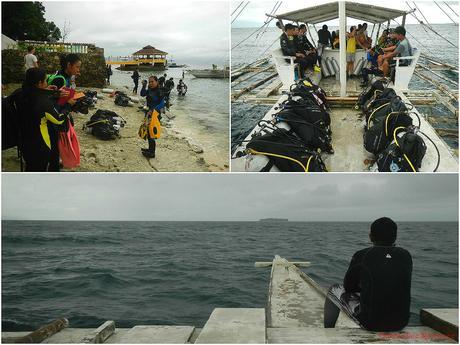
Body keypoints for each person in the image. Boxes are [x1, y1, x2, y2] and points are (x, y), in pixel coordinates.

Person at [323, 217, 412, 331]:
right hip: (401, 322)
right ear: (395, 236)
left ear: (371, 236)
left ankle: (328, 331)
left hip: (371, 323)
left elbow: (349, 287)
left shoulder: (362, 255)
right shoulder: (405, 256)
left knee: (334, 289)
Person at [16, 68, 67, 171]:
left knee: (30, 168)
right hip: (40, 145)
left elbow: (37, 94)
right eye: (46, 80)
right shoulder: (42, 103)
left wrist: (51, 92)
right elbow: (59, 119)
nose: (47, 82)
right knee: (39, 170)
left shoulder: (20, 93)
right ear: (39, 83)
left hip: (24, 141)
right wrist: (69, 106)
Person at [140, 76, 165, 158]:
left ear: (157, 82)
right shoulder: (150, 89)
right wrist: (144, 85)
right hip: (148, 112)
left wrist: (153, 110)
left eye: (152, 81)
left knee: (151, 133)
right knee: (147, 131)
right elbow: (142, 94)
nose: (150, 83)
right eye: (149, 82)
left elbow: (162, 103)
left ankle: (152, 153)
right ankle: (150, 149)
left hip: (155, 114)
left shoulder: (160, 91)